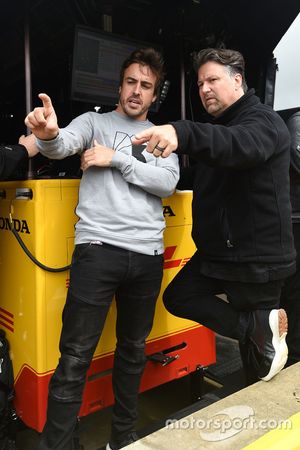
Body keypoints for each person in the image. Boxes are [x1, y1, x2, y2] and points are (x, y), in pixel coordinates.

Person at [24, 48, 179, 450]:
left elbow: (167, 183)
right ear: (120, 85)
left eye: (146, 86)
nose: (136, 91)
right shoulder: (93, 122)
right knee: (74, 356)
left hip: (146, 255)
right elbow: (63, 145)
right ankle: (57, 445)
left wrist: (116, 160)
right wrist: (49, 135)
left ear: (154, 93)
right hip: (98, 250)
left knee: (132, 353)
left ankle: (123, 439)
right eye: (131, 82)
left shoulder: (162, 135)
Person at [133, 47, 296, 383]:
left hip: (255, 262)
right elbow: (203, 173)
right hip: (219, 255)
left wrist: (181, 132)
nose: (204, 88)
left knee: (261, 370)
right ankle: (251, 329)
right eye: (200, 83)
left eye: (212, 80)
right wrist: (141, 172)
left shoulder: (261, 122)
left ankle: (266, 417)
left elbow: (237, 144)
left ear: (237, 81)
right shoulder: (221, 128)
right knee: (179, 296)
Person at [280, 110, 300, 366]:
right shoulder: (298, 119)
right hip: (295, 220)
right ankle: (292, 355)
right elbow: (297, 156)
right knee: (294, 293)